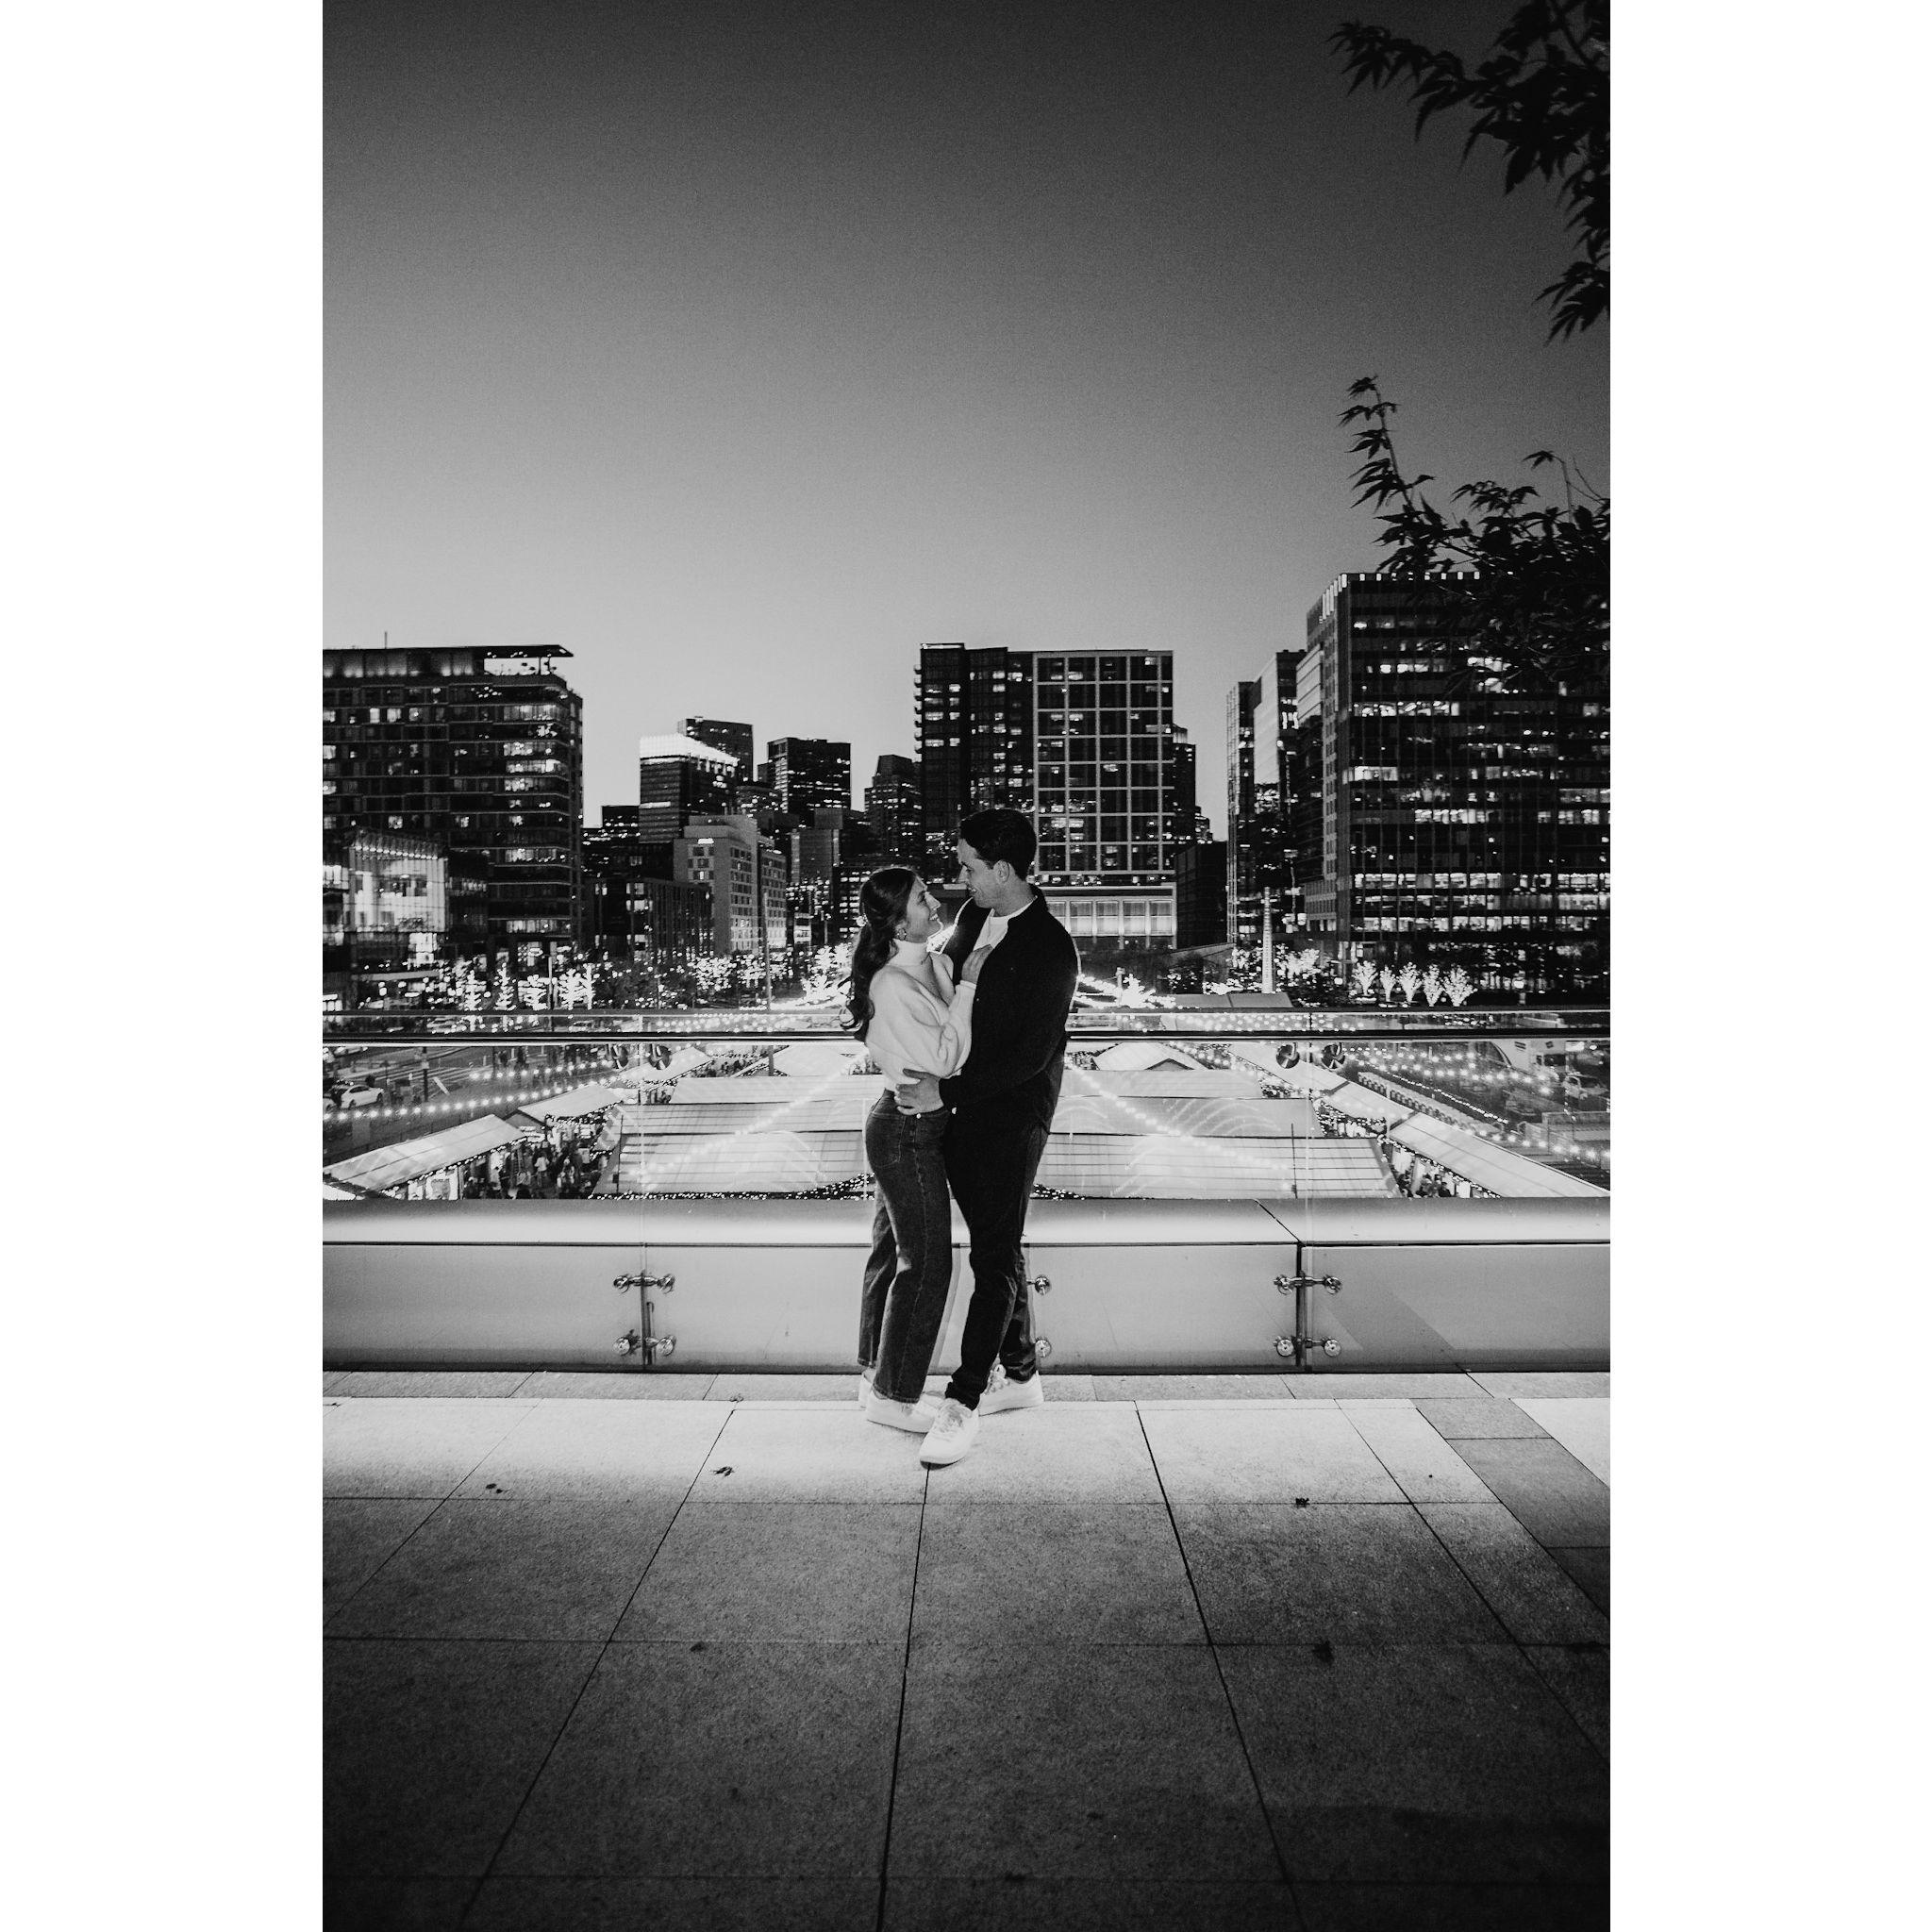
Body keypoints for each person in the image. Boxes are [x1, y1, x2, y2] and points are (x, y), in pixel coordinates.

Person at [896, 808, 1079, 1470]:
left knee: (993, 1257)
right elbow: (944, 990)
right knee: (996, 1242)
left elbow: (1030, 1057)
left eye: (969, 866)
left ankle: (964, 1398)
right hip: (964, 1108)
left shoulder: (1051, 948)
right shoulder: (976, 916)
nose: (961, 878)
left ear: (1002, 870)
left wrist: (943, 1093)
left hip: (1011, 1118)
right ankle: (1021, 1372)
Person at [847, 868, 984, 1432]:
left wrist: (956, 976)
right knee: (926, 1264)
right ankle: (894, 1394)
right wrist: (969, 988)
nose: (935, 904)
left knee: (891, 1253)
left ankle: (873, 1374)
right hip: (906, 1128)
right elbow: (947, 1061)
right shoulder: (892, 985)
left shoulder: (931, 963)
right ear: (900, 923)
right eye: (923, 899)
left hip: (914, 1123)